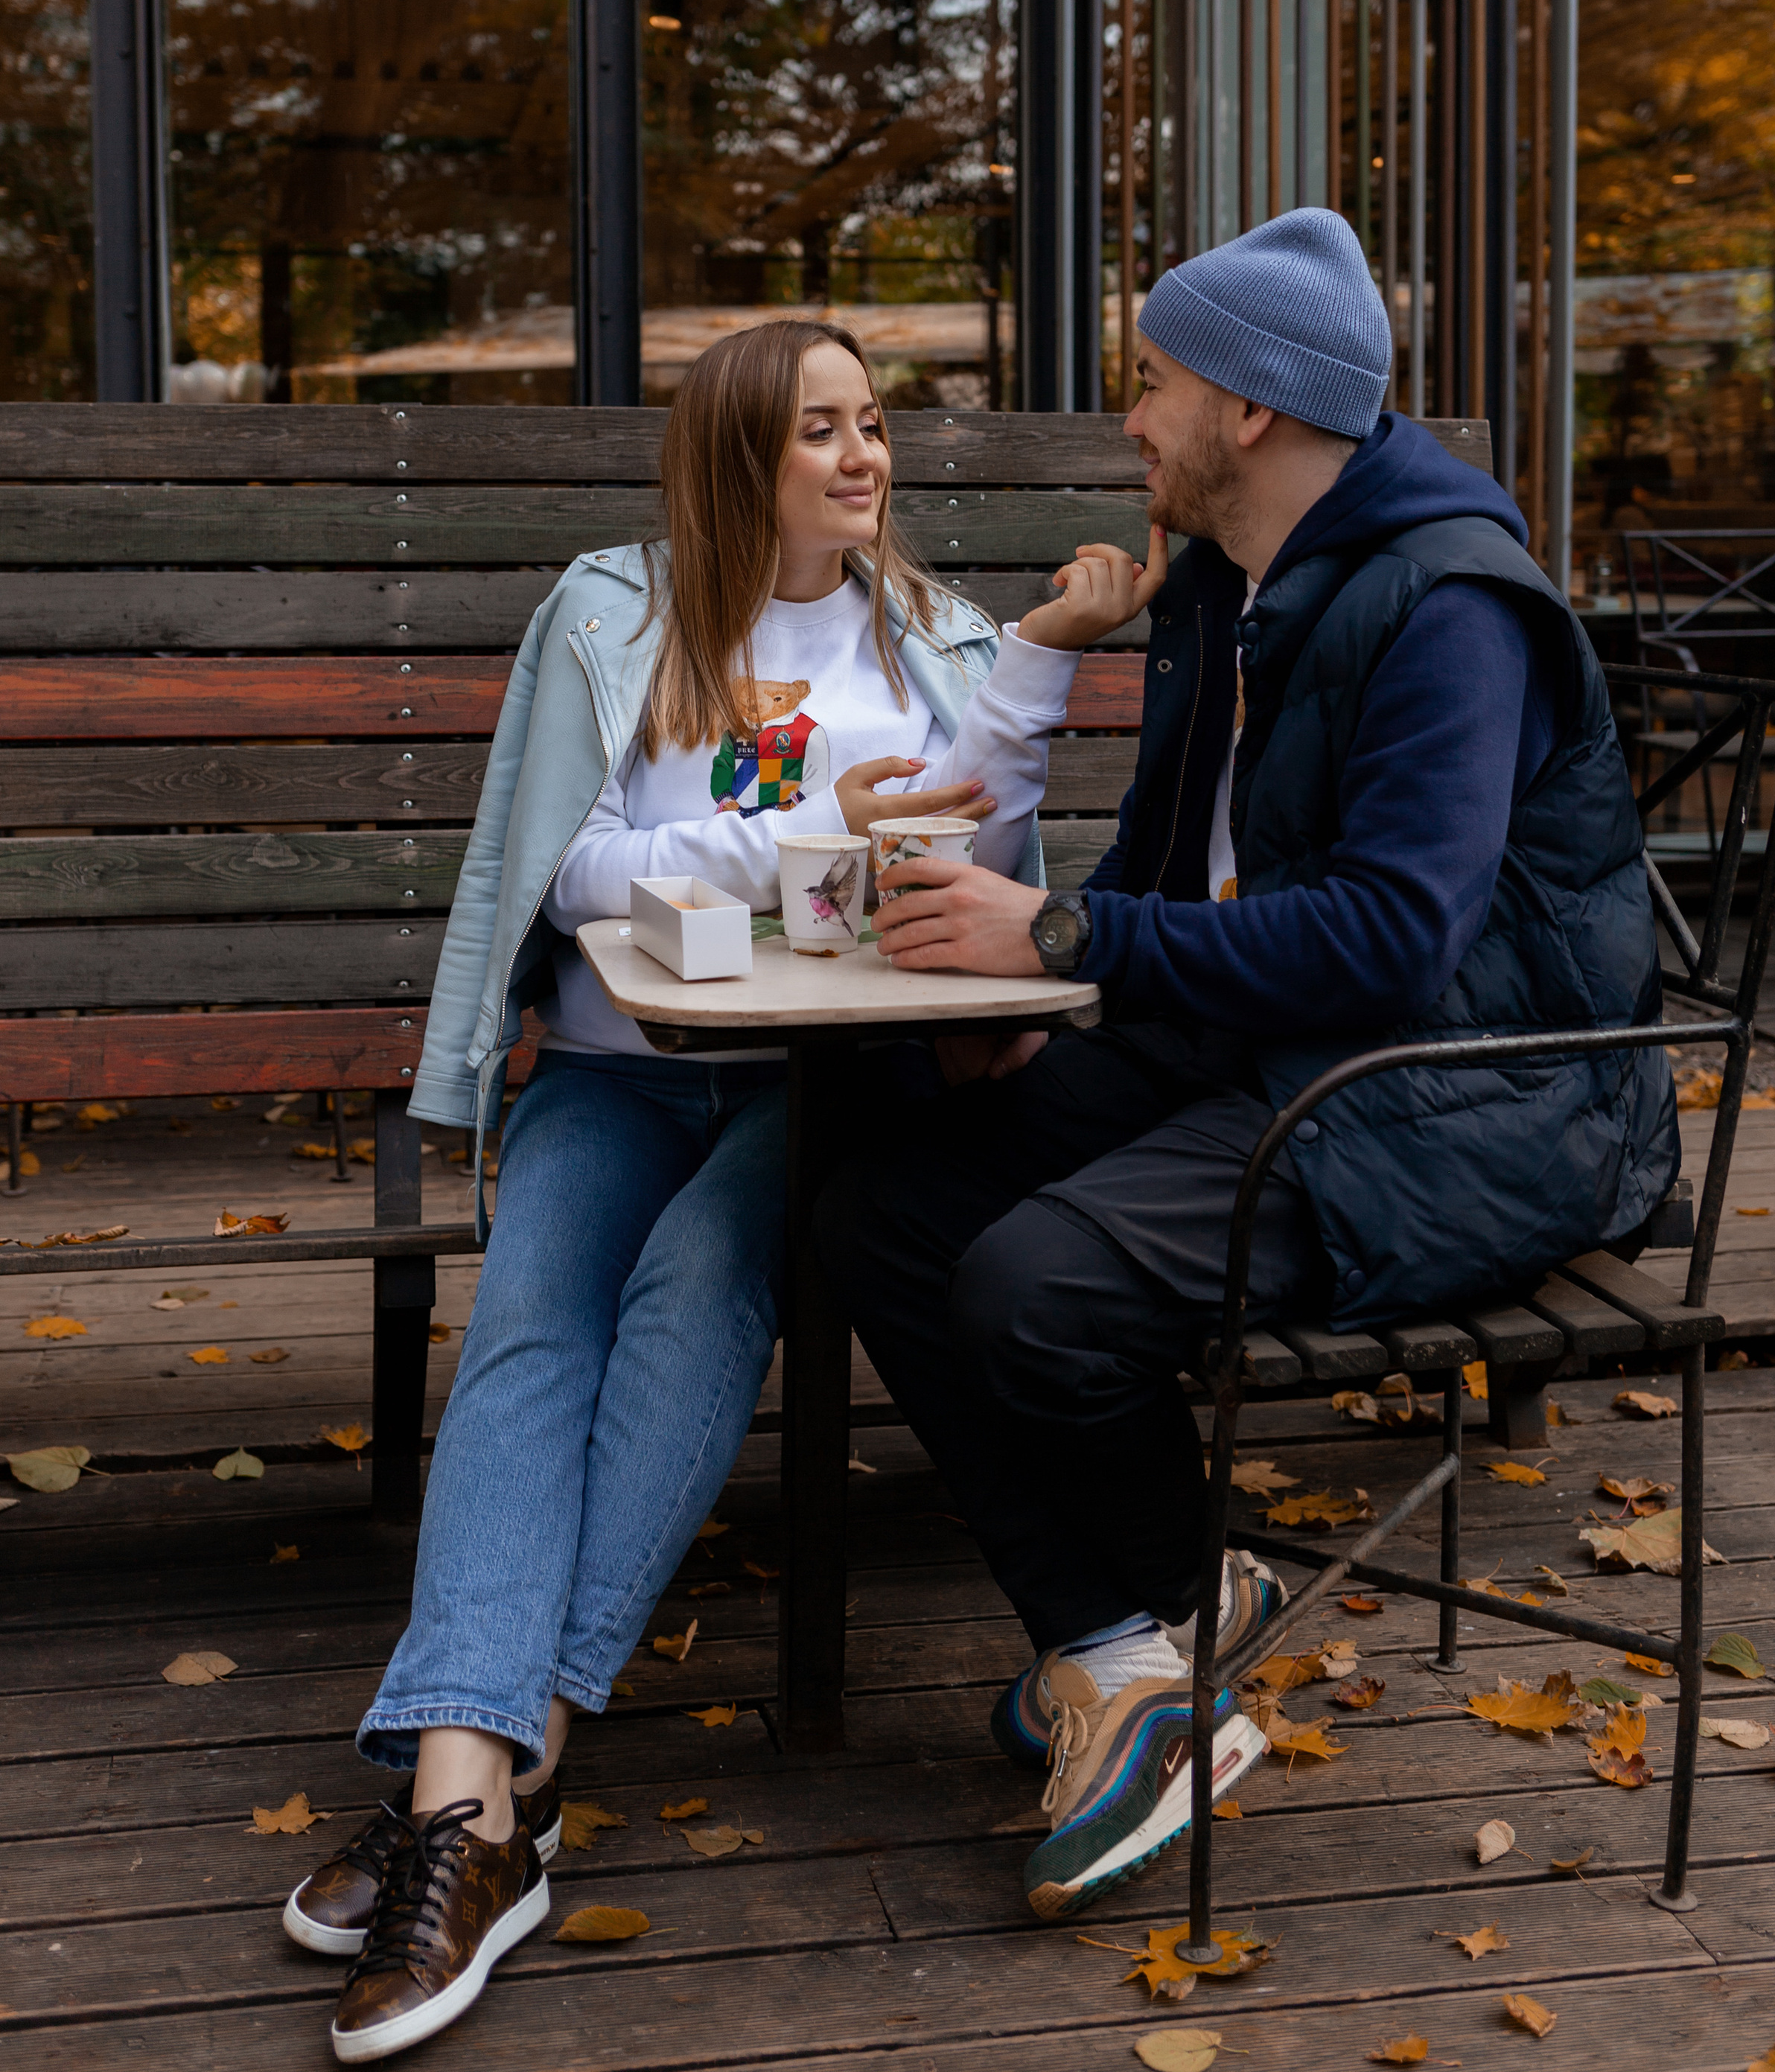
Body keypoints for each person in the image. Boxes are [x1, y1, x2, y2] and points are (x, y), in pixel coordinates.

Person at [285, 316, 1165, 2065]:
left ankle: (471, 1789)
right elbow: (571, 870)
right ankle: (497, 1788)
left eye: (871, 424)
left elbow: (981, 861)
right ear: (738, 454)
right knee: (530, 1320)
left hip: (813, 1082)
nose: (863, 457)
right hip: (616, 1070)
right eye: (818, 430)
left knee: (697, 1291)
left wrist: (1040, 666)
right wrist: (798, 835)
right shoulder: (614, 615)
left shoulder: (931, 634)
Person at [815, 208, 1680, 1925]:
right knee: (874, 1200)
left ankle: (1149, 1643)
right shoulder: (1220, 585)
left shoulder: (1450, 607)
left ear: (1252, 408)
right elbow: (1160, 868)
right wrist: (1043, 996)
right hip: (1278, 1051)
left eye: (1151, 381)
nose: (1128, 416)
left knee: (1030, 1287)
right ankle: (1129, 1649)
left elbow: (1390, 940)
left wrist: (1061, 941)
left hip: (1473, 1098)